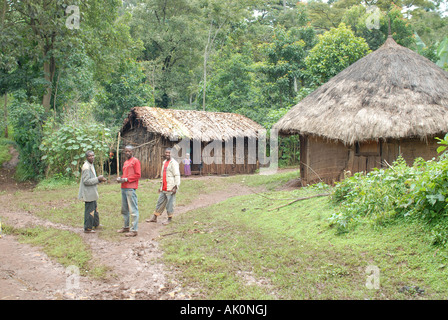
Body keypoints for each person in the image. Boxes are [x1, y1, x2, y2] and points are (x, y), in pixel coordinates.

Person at [146, 148, 180, 225]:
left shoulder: (173, 163)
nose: (167, 154)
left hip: (171, 187)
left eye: (169, 153)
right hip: (164, 186)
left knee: (170, 204)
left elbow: (177, 175)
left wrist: (175, 187)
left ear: (172, 154)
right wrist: (161, 185)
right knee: (159, 202)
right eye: (166, 153)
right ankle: (154, 217)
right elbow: (163, 175)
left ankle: (169, 219)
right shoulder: (164, 162)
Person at [78, 150, 107, 233]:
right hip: (88, 192)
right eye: (90, 156)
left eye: (93, 155)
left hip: (92, 191)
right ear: (87, 157)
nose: (92, 157)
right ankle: (87, 228)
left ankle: (95, 224)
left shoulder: (91, 164)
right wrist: (98, 179)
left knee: (95, 209)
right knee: (89, 210)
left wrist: (100, 180)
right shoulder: (86, 167)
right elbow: (86, 181)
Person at [116, 145, 141, 237]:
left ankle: (134, 230)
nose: (127, 153)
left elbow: (138, 175)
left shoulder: (135, 161)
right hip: (124, 187)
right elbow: (125, 175)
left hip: (130, 187)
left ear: (132, 152)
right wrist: (121, 178)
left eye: (129, 151)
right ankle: (126, 227)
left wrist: (126, 179)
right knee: (124, 209)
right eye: (126, 151)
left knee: (133, 209)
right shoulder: (126, 162)